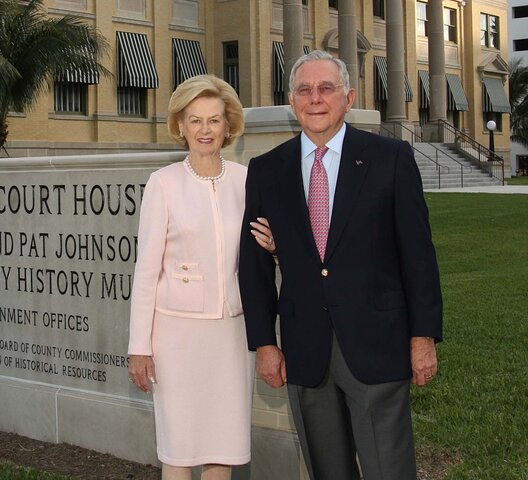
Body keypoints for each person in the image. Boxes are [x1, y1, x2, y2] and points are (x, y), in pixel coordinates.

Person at [238, 50, 443, 480]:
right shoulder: (267, 170)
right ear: (291, 102)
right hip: (305, 350)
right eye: (304, 90)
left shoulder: (391, 158)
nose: (315, 98)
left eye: (326, 88)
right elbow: (255, 268)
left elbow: (418, 257)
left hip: (378, 345)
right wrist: (265, 344)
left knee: (389, 470)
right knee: (327, 470)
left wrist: (422, 337)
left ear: (348, 98)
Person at [128, 74, 274, 480]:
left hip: (231, 333)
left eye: (214, 120)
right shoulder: (163, 184)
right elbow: (146, 271)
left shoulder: (246, 180)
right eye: (195, 120)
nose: (204, 130)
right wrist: (139, 346)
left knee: (222, 445)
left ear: (228, 126)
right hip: (175, 337)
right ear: (180, 126)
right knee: (179, 446)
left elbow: (261, 253)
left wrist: (275, 246)